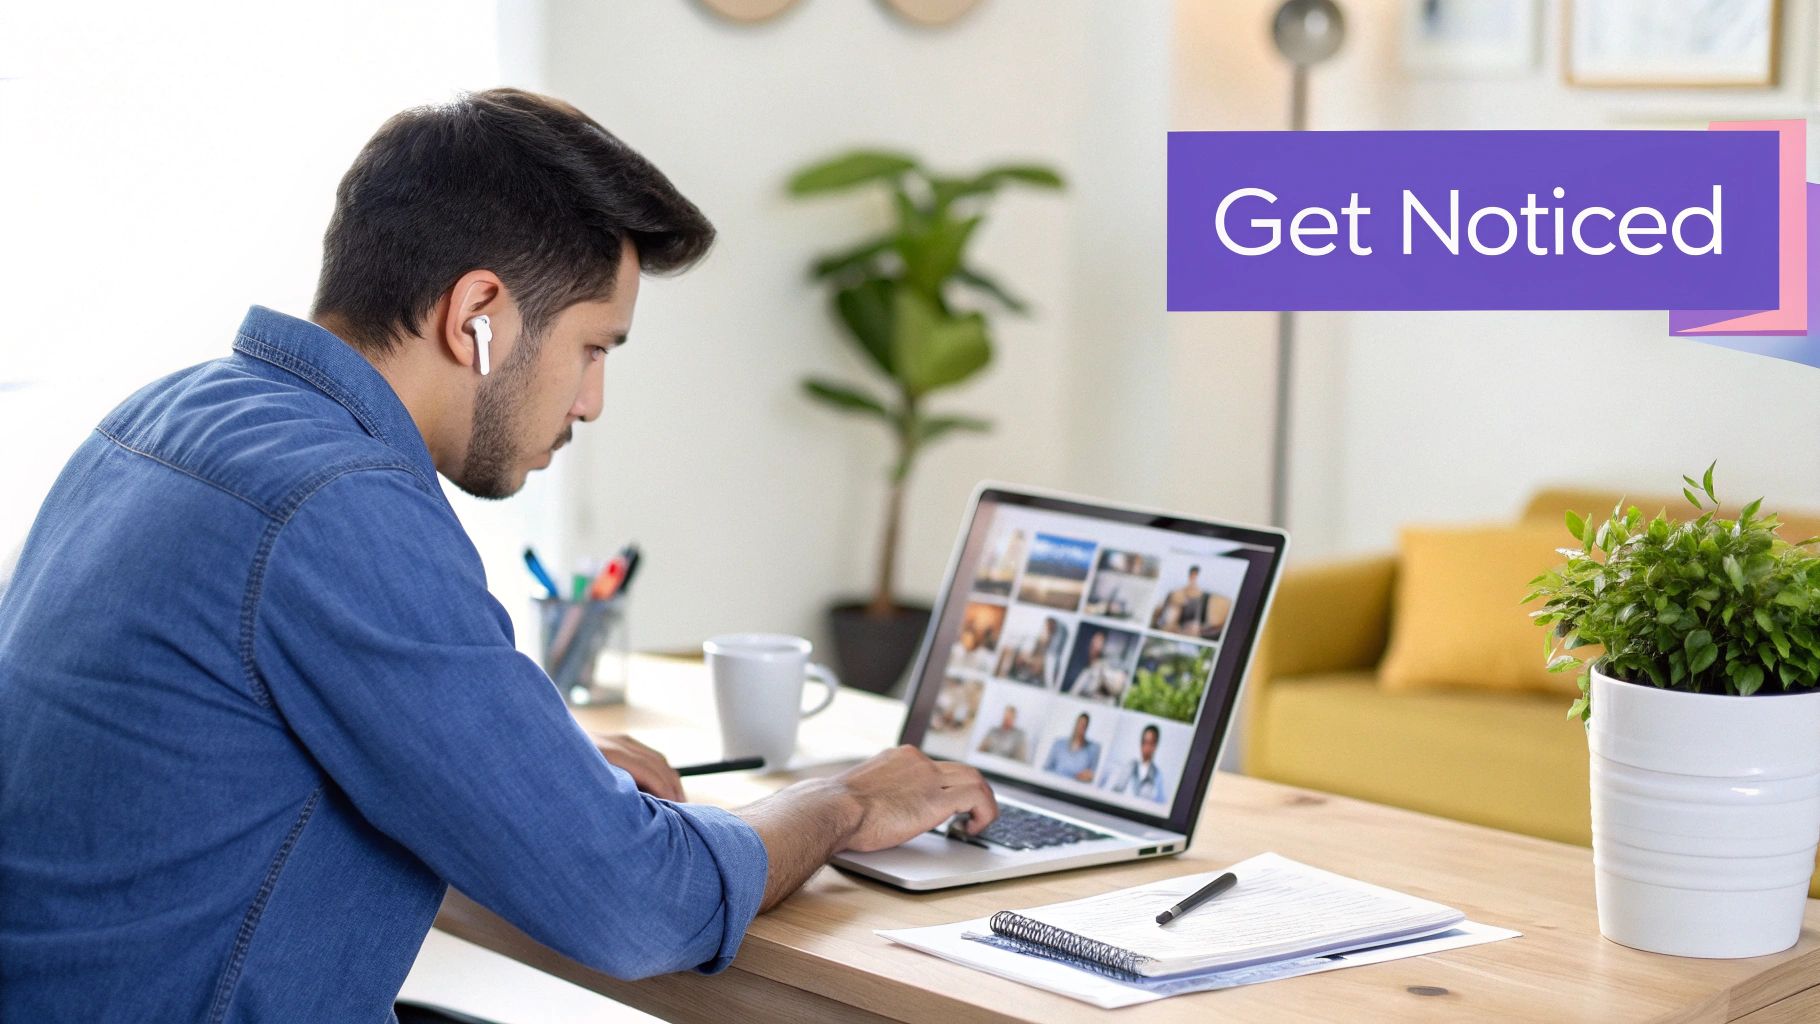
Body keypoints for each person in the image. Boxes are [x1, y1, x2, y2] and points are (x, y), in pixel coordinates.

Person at [0, 89, 998, 1024]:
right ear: (476, 314)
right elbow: (631, 903)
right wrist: (840, 801)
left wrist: (521, 767)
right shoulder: (338, 505)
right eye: (594, 347)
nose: (590, 401)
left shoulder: (176, 415)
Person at [1101, 724, 1169, 805]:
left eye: (1150, 743)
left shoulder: (1157, 774)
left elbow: (1161, 803)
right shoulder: (1130, 765)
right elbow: (1117, 789)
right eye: (1144, 742)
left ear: (1155, 746)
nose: (1146, 747)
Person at [1068, 629, 1129, 704]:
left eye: (1099, 642)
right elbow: (1074, 692)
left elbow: (1116, 688)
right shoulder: (1084, 667)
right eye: (1093, 642)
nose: (1095, 645)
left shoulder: (1104, 666)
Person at [1042, 712, 1102, 783]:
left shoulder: (1092, 749)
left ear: (1086, 728)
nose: (1080, 728)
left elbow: (1091, 775)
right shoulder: (1059, 744)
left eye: (1083, 726)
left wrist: (1086, 777)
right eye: (1079, 724)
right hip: (1054, 784)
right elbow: (1046, 768)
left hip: (1076, 787)